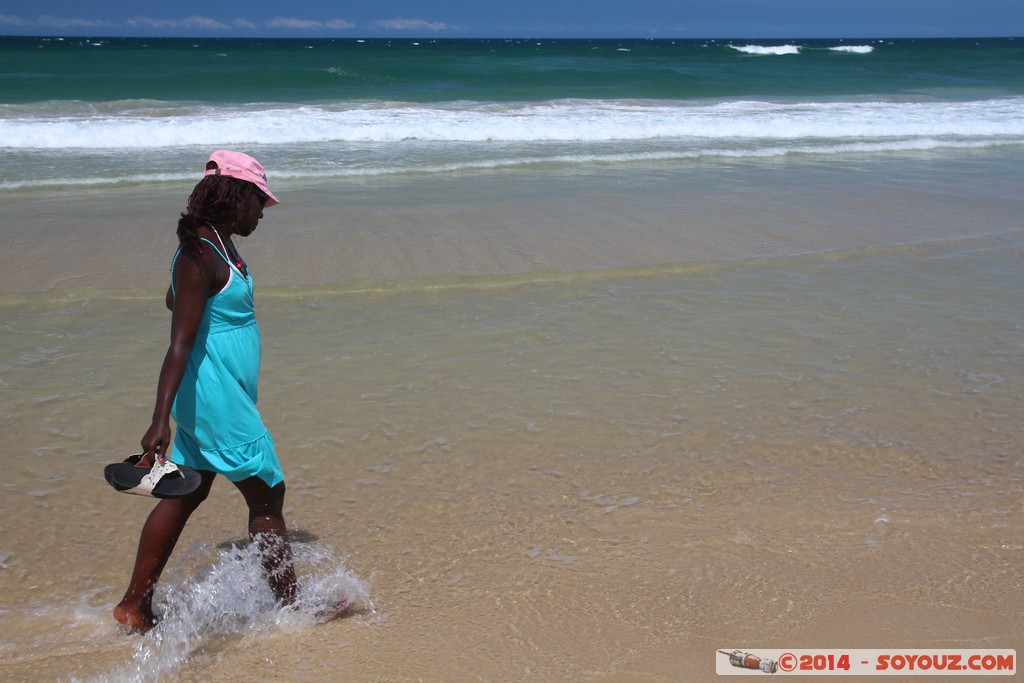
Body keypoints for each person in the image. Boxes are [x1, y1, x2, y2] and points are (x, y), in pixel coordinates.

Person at [114, 151, 340, 632]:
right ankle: (293, 609)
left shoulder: (214, 247)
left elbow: (174, 300)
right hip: (214, 397)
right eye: (259, 202)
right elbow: (178, 343)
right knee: (267, 494)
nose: (262, 213)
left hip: (217, 392)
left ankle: (135, 606)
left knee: (185, 494)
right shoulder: (200, 254)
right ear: (237, 198)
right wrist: (159, 420)